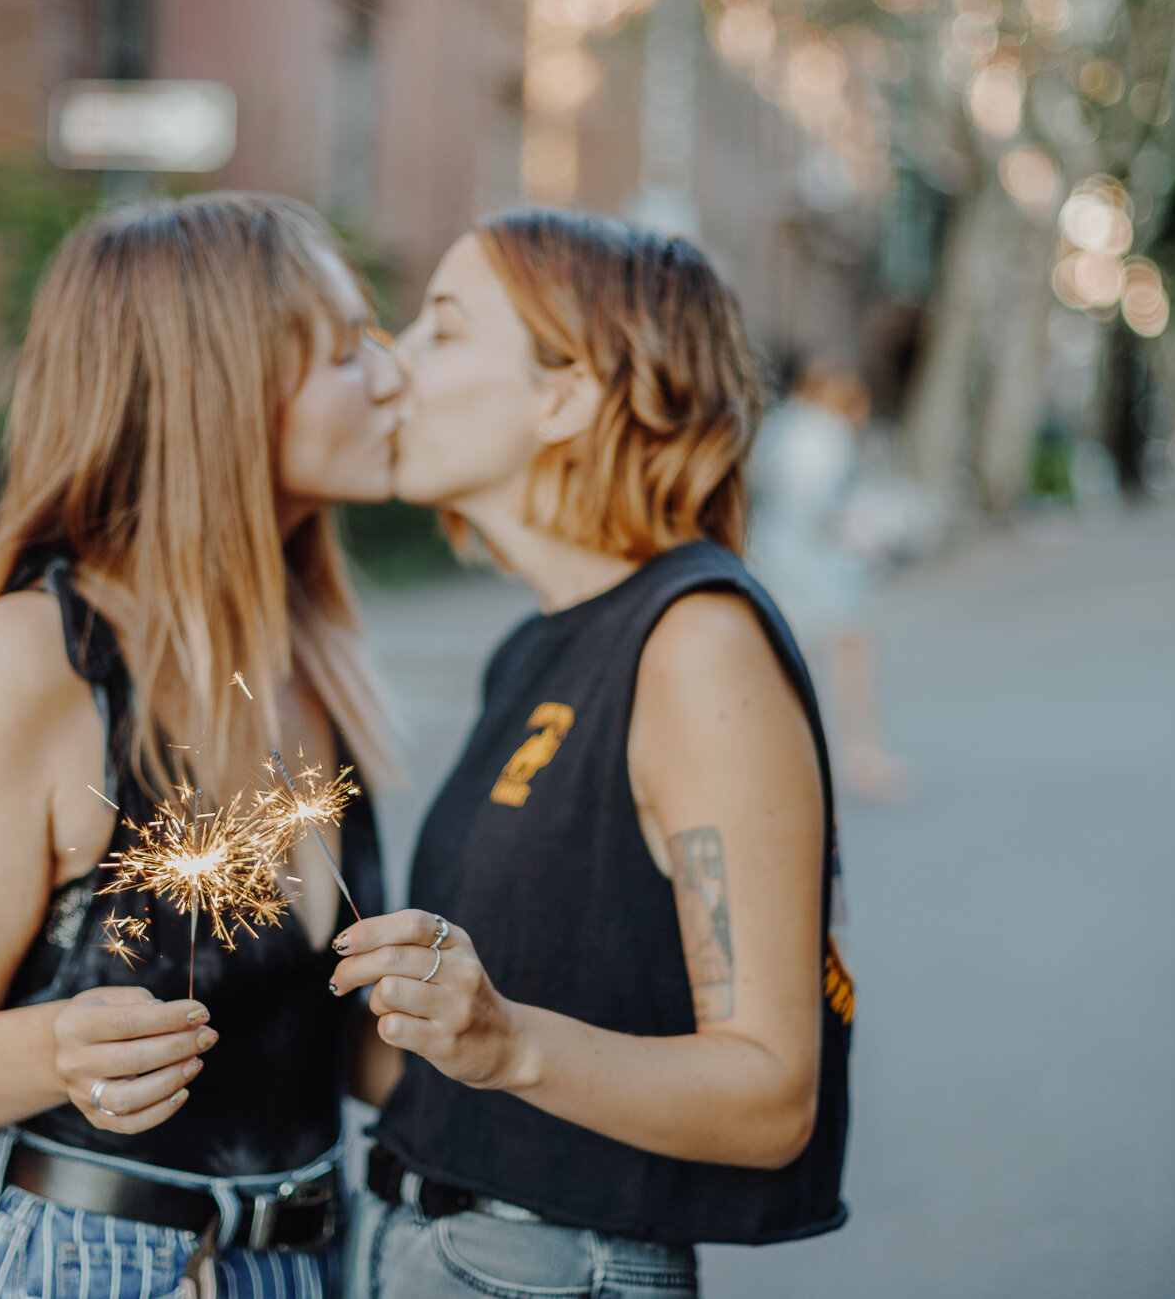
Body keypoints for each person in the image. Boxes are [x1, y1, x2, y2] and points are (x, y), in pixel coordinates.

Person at [0, 194, 402, 1299]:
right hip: (96, 1265)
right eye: (344, 351)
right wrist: (53, 1048)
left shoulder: (304, 650)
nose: (388, 375)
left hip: (312, 1259)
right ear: (220, 389)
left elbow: (329, 1045)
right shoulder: (37, 660)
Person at [335, 210, 854, 1299]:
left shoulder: (695, 645)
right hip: (413, 1240)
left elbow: (769, 1097)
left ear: (566, 394)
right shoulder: (533, 645)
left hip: (546, 1270)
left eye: (440, 329)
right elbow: (440, 1063)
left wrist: (506, 1041)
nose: (391, 363)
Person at [749, 359, 911, 801]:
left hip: (784, 557)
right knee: (845, 656)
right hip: (814, 565)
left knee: (796, 660)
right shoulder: (820, 434)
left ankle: (802, 761)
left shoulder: (782, 427)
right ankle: (859, 758)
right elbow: (816, 505)